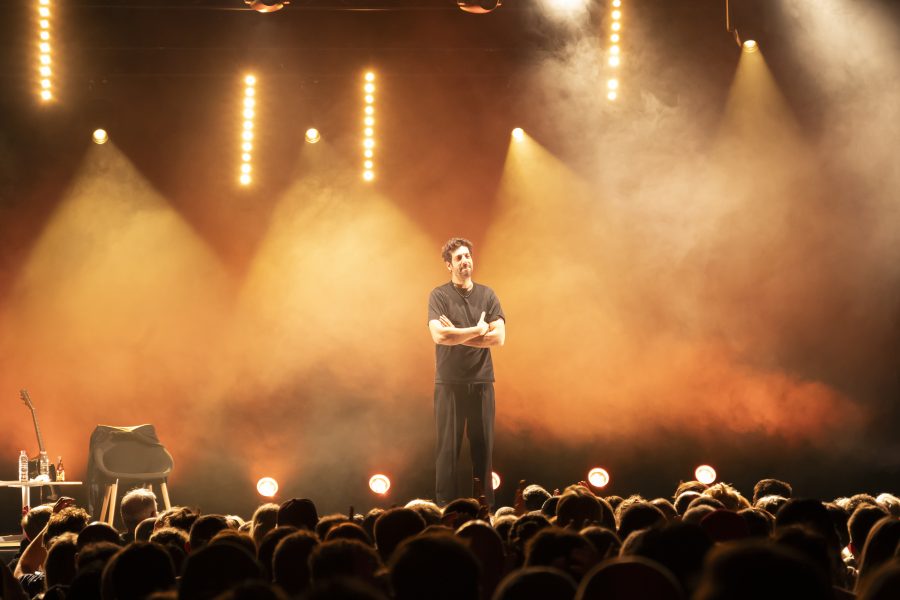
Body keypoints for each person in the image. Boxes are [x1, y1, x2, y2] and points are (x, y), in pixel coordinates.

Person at [428, 237, 506, 507]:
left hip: (482, 382)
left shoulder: (488, 294)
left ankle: (486, 509)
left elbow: (499, 339)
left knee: (483, 452)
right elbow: (439, 335)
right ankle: (444, 509)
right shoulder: (439, 295)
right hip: (448, 383)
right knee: (447, 451)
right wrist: (477, 330)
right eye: (459, 258)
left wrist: (457, 335)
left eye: (468, 256)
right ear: (448, 265)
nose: (465, 261)